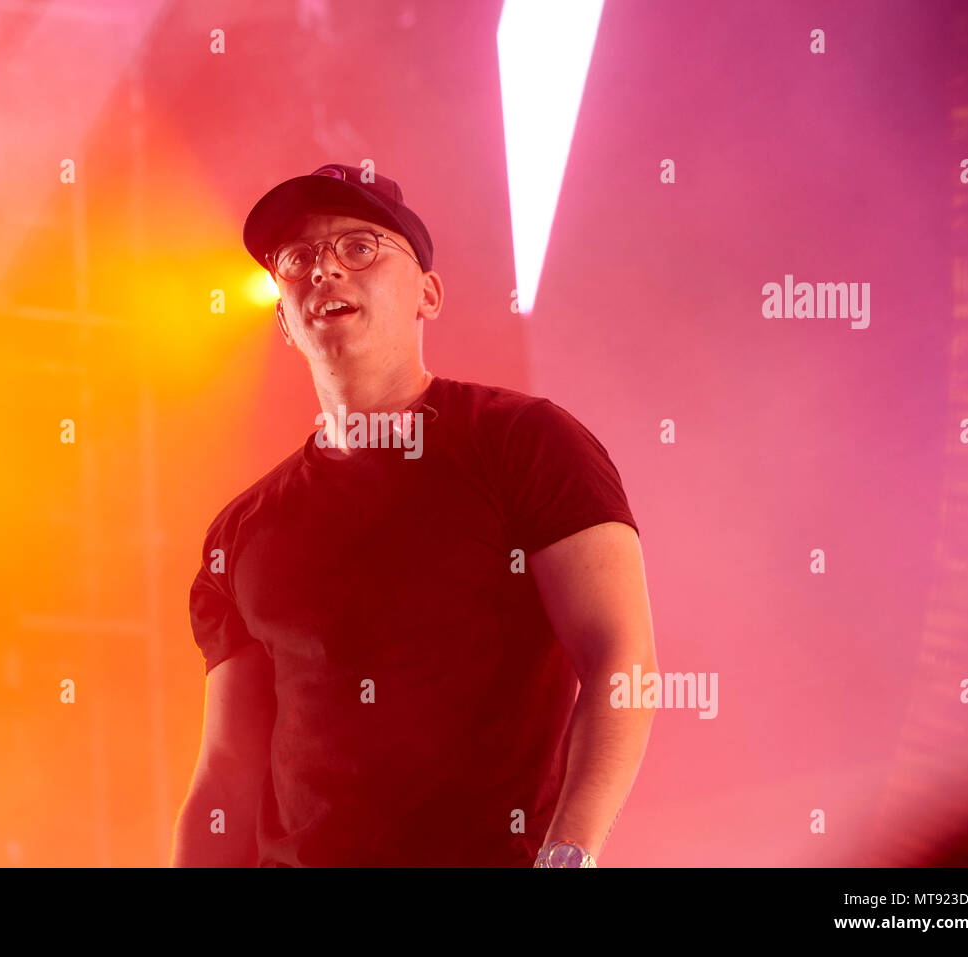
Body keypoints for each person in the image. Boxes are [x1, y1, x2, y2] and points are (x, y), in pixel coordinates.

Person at [171, 163, 657, 867]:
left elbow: (622, 662)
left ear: (427, 293)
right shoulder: (241, 532)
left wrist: (568, 855)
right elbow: (225, 775)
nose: (325, 271)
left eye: (359, 248)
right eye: (298, 258)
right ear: (282, 315)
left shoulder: (526, 442)